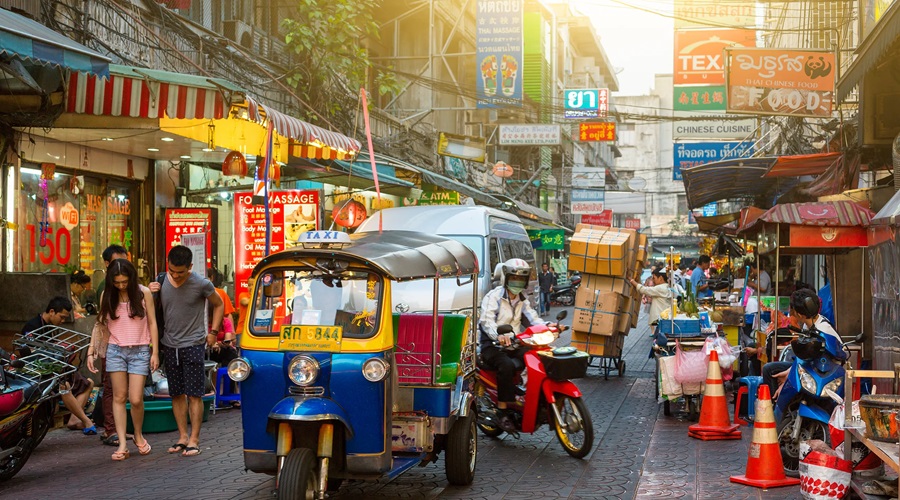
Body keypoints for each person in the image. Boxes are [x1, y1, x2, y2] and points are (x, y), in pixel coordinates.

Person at [149, 245, 224, 458]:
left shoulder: (201, 283)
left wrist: (214, 332)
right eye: (172, 270)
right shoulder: (161, 281)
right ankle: (182, 437)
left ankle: (194, 439)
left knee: (194, 394)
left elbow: (218, 305)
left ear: (190, 267)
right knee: (176, 394)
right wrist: (150, 292)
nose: (175, 275)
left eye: (180, 272)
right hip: (169, 344)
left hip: (193, 344)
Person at [87, 259, 159, 461]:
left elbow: (153, 323)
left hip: (140, 350)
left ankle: (137, 434)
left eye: (124, 282)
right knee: (118, 397)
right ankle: (122, 443)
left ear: (131, 278)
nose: (120, 286)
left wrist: (155, 352)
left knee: (136, 399)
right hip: (115, 350)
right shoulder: (107, 295)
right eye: (117, 282)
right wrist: (92, 351)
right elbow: (100, 325)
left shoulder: (143, 292)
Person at [478, 258, 548, 432]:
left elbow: (533, 318)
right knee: (506, 365)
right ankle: (502, 411)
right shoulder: (493, 296)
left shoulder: (522, 300)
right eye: (514, 279)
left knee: (536, 357)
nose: (517, 283)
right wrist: (498, 335)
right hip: (492, 345)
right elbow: (486, 321)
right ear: (505, 278)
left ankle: (526, 396)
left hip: (515, 343)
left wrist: (549, 328)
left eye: (521, 280)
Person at [22, 296, 97, 435]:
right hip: (39, 372)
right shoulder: (32, 326)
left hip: (55, 367)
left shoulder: (51, 327)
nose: (62, 321)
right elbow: (29, 354)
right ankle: (86, 420)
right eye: (61, 317)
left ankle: (75, 419)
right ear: (52, 311)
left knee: (89, 383)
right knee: (64, 386)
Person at [758, 288, 844, 399]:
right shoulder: (808, 324)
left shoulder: (823, 329)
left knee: (773, 372)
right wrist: (790, 372)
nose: (791, 312)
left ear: (799, 314)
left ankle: (777, 401)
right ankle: (775, 405)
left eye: (792, 309)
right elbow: (805, 357)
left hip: (823, 372)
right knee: (769, 369)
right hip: (811, 365)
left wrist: (789, 380)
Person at [94, 244, 130, 447]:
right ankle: (111, 430)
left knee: (122, 391)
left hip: (128, 345)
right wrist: (95, 348)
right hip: (112, 345)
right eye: (118, 263)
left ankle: (118, 428)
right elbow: (101, 324)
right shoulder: (105, 288)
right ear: (107, 264)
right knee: (111, 388)